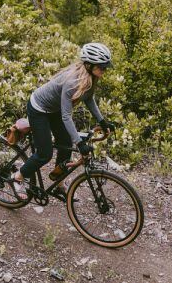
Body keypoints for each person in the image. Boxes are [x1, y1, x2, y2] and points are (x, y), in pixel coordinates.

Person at [11, 42, 118, 199]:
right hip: (39, 109)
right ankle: (17, 177)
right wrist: (80, 144)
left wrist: (102, 121)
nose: (104, 70)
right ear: (89, 65)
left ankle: (59, 183)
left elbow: (89, 99)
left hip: (54, 109)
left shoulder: (91, 77)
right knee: (44, 154)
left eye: (105, 67)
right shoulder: (72, 82)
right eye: (101, 67)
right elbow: (66, 116)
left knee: (66, 145)